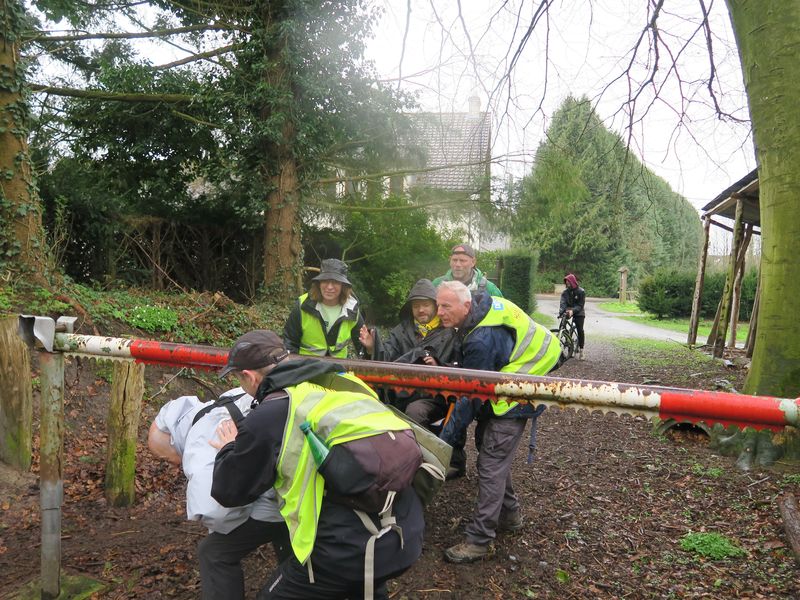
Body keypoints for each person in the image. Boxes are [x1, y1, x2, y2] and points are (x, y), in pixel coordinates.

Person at [210, 330, 424, 600]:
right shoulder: (343, 383)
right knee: (363, 586)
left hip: (343, 553)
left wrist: (229, 446)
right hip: (404, 535)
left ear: (248, 377)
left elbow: (229, 491)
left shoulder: (269, 415)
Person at [434, 280, 562, 563]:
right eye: (437, 304)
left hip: (521, 389)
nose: (438, 311)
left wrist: (442, 441)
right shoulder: (479, 307)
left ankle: (478, 541)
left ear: (465, 305)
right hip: (512, 377)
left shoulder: (482, 338)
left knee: (490, 462)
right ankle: (510, 515)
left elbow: (470, 396)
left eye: (446, 306)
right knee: (491, 452)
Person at [147, 389, 290, 600]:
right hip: (297, 481)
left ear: (173, 441)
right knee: (284, 535)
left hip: (279, 496)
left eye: (166, 459)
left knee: (213, 551)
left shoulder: (197, 447)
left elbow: (217, 513)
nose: (171, 465)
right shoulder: (224, 401)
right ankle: (292, 575)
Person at [359, 279, 463, 469]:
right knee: (370, 402)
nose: (421, 310)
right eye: (416, 306)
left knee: (415, 412)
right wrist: (372, 347)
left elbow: (459, 366)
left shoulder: (450, 332)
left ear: (435, 305)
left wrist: (438, 365)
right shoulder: (400, 331)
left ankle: (415, 462)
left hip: (433, 396)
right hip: (400, 392)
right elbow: (387, 357)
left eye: (425, 305)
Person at [283, 258, 364, 358]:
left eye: (335, 282)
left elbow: (362, 346)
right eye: (325, 281)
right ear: (319, 283)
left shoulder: (352, 309)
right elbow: (289, 342)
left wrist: (369, 350)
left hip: (339, 368)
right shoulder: (302, 305)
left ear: (343, 285)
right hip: (306, 367)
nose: (329, 287)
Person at [432, 242, 503, 297]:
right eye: (454, 260)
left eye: (462, 261)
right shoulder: (437, 284)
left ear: (473, 262)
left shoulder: (490, 289)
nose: (457, 264)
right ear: (450, 260)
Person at [560, 273, 586, 359]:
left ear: (573, 282)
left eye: (568, 283)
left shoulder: (581, 292)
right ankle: (565, 340)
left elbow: (580, 305)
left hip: (579, 312)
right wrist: (561, 312)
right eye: (566, 283)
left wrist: (573, 311)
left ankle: (582, 350)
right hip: (568, 310)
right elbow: (563, 303)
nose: (567, 285)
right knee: (562, 324)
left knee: (580, 329)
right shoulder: (565, 292)